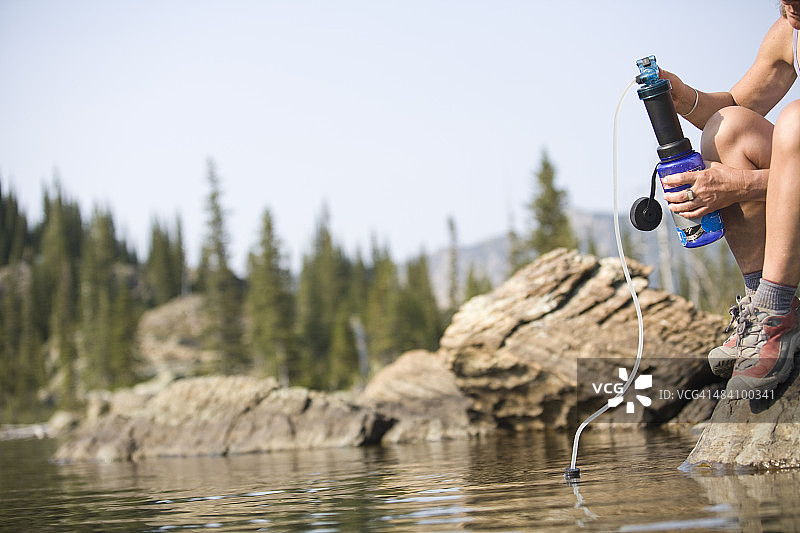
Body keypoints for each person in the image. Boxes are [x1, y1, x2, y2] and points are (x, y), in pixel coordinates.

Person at [657, 1, 800, 393]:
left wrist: (745, 185)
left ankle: (776, 308)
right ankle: (760, 300)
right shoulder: (789, 32)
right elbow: (735, 110)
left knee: (796, 122)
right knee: (728, 129)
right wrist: (685, 98)